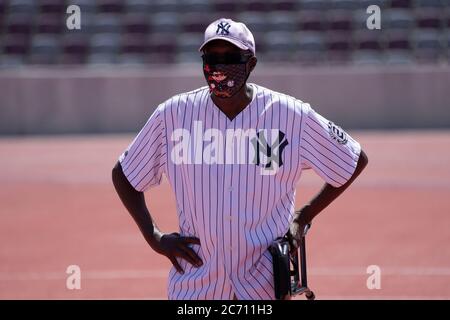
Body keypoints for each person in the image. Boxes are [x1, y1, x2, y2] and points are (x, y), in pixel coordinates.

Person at [112, 18, 368, 300]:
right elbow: (124, 174)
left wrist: (304, 216)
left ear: (251, 64)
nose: (219, 67)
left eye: (231, 57)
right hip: (197, 288)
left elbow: (353, 159)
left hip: (264, 285)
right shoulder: (173, 116)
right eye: (211, 58)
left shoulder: (291, 115)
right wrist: (155, 237)